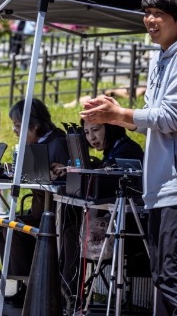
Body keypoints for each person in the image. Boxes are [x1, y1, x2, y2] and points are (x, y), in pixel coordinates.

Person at [80, 0, 177, 315]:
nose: (150, 20)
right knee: (163, 275)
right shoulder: (160, 58)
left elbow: (170, 116)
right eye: (147, 12)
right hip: (159, 187)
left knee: (169, 276)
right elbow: (150, 120)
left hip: (173, 188)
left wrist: (118, 115)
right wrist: (115, 114)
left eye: (159, 13)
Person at [61, 121, 144, 308]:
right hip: (115, 221)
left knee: (72, 233)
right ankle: (67, 292)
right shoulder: (114, 149)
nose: (91, 137)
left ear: (111, 127)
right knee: (69, 224)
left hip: (130, 228)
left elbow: (111, 183)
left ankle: (69, 295)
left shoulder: (127, 150)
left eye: (96, 130)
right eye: (87, 132)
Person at [0, 98, 70, 307]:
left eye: (18, 126)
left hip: (55, 216)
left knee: (13, 229)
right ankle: (25, 284)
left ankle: (32, 285)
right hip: (40, 210)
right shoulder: (37, 144)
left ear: (35, 125)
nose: (15, 131)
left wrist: (54, 175)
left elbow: (66, 180)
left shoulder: (57, 143)